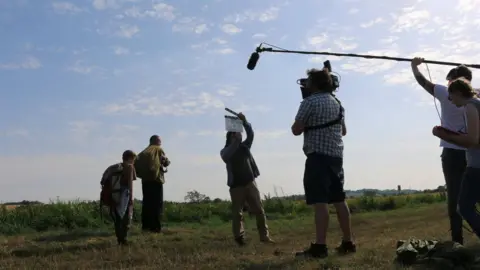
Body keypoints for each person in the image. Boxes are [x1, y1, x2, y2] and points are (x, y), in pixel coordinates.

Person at [291, 68, 355, 258]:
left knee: (320, 202)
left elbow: (295, 130)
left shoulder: (309, 102)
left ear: (315, 83)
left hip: (317, 157)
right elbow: (343, 131)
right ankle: (348, 242)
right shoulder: (337, 103)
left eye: (309, 80)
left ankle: (320, 247)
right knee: (339, 200)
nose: (306, 83)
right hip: (336, 157)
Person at [410, 57, 473, 244]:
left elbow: (423, 82)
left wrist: (414, 67)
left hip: (452, 152)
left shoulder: (445, 92)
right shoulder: (475, 96)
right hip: (473, 151)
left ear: (454, 80)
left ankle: (457, 240)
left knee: (454, 196)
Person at [432, 78, 480, 239]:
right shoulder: (477, 104)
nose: (450, 101)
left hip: (476, 167)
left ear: (458, 93)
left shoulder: (470, 107)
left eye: (451, 96)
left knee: (464, 208)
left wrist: (443, 135)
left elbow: (472, 140)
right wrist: (450, 134)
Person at [220, 112, 274, 246]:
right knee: (237, 214)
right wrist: (236, 141)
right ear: (230, 137)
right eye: (235, 134)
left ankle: (264, 237)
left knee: (259, 211)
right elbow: (227, 156)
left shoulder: (244, 147)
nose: (239, 135)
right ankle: (239, 238)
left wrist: (245, 122)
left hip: (250, 183)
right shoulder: (225, 151)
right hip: (236, 186)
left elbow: (251, 134)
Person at [135, 135, 170, 233]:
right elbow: (164, 162)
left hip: (145, 181)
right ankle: (156, 227)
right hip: (156, 180)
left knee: (146, 204)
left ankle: (145, 227)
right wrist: (167, 163)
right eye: (160, 140)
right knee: (157, 204)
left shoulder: (144, 152)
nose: (161, 142)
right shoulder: (158, 149)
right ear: (157, 141)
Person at [100, 150, 137, 245]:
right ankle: (123, 239)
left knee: (117, 217)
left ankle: (119, 238)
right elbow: (130, 184)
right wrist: (131, 199)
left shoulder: (114, 168)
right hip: (125, 195)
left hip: (114, 195)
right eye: (133, 159)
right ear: (130, 158)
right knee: (126, 217)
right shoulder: (130, 167)